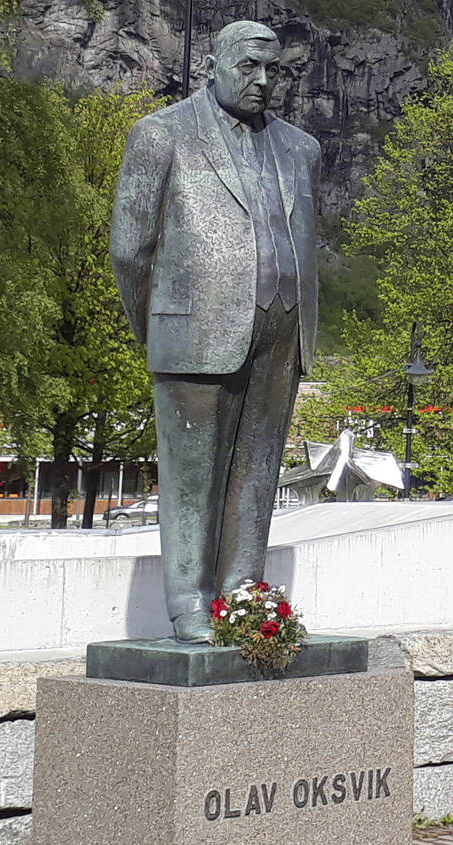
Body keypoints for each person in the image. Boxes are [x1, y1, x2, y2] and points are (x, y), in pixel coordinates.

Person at [110, 21, 321, 642]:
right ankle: (188, 603)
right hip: (192, 331)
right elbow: (130, 250)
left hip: (282, 331)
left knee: (258, 470)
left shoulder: (301, 148)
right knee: (192, 475)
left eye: (272, 70)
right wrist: (160, 326)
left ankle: (244, 599)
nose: (262, 81)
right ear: (214, 65)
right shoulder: (161, 135)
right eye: (249, 67)